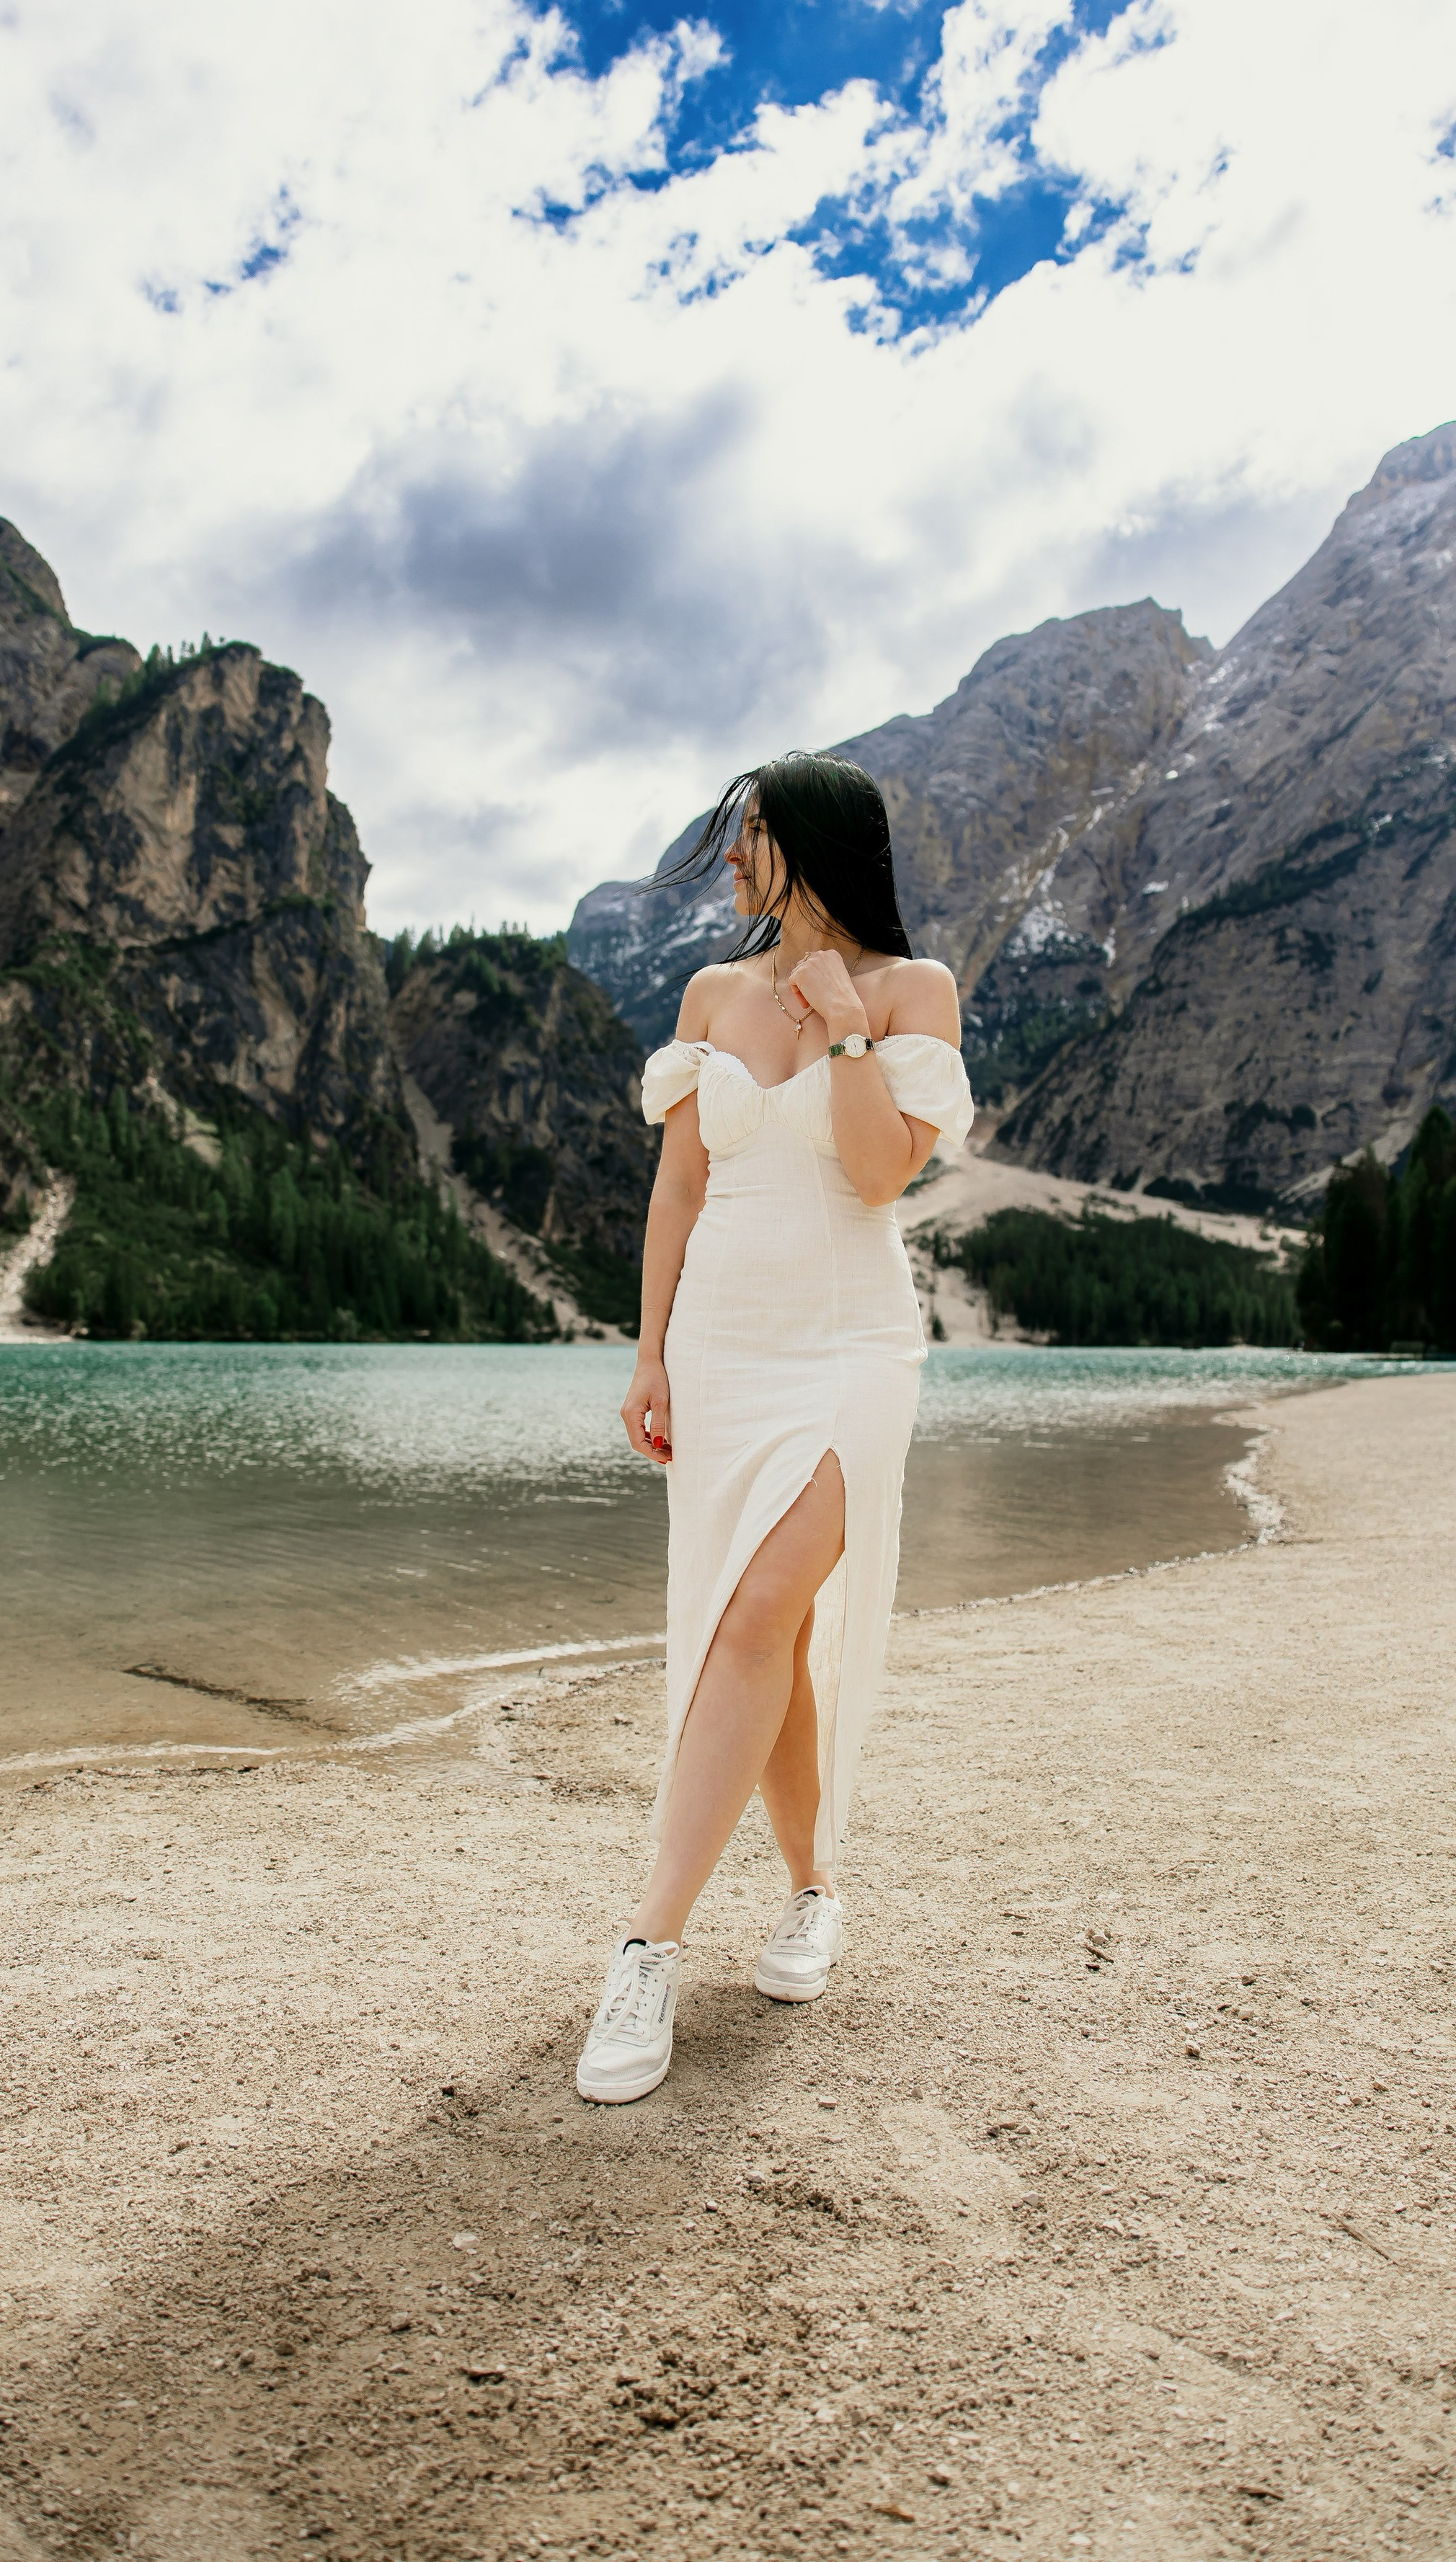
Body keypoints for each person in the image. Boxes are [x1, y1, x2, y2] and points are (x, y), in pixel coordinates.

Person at [576, 751, 976, 2104]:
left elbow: (876, 1174)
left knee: (748, 1620)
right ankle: (812, 1888)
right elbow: (680, 1189)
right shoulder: (709, 996)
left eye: (753, 835)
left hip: (853, 1347)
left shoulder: (913, 991)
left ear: (814, 843)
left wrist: (846, 1028)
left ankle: (647, 1945)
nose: (734, 859)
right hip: (721, 1348)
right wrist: (649, 1352)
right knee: (772, 1636)